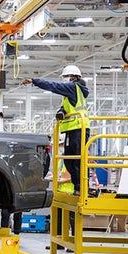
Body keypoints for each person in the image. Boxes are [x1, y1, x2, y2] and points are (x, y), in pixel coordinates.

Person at [22, 65, 90, 194]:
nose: (65, 79)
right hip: (73, 129)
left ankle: (80, 188)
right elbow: (66, 107)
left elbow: (53, 86)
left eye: (66, 77)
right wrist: (61, 111)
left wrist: (34, 81)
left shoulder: (73, 87)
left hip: (79, 128)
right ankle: (78, 187)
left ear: (74, 77)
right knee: (69, 160)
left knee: (76, 160)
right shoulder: (73, 92)